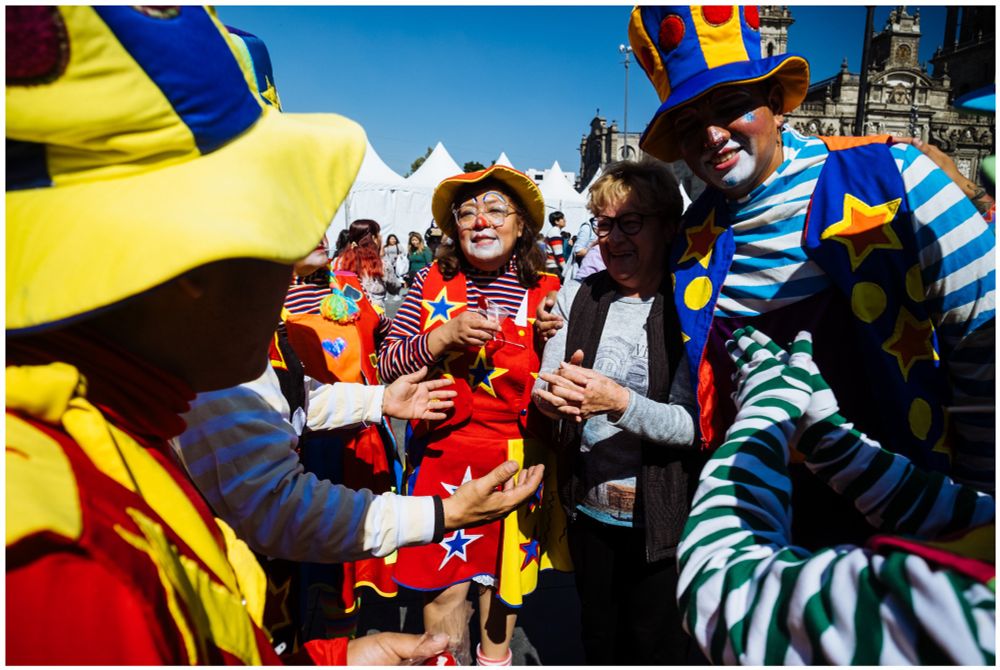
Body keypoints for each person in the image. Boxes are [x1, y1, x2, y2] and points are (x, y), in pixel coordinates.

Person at [5, 6, 453, 664]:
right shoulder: (65, 565)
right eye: (281, 232)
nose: (288, 275)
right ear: (196, 261)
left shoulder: (101, 437)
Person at [625, 6, 995, 540]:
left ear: (776, 103)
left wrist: (978, 517)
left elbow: (985, 350)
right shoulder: (689, 239)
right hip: (763, 528)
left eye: (730, 105)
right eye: (688, 124)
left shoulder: (901, 180)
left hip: (909, 516)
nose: (711, 135)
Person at [678, 326, 995, 664]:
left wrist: (763, 416)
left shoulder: (965, 604)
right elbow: (973, 520)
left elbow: (724, 596)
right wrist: (833, 444)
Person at [379, 165, 571, 666]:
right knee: (443, 590)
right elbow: (386, 365)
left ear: (522, 225)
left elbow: (570, 378)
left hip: (518, 458)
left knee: (502, 591)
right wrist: (439, 338)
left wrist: (557, 340)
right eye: (467, 213)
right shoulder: (430, 281)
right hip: (442, 458)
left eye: (495, 210)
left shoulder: (551, 290)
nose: (480, 221)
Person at [531, 160, 701, 665]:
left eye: (631, 222)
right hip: (589, 514)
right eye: (605, 225)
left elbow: (694, 426)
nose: (615, 238)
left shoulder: (690, 305)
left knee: (656, 649)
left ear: (667, 226)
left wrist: (619, 403)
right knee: (599, 639)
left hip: (664, 524)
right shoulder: (579, 295)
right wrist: (553, 398)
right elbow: (545, 384)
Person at [333, 218, 395, 310]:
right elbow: (394, 289)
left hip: (347, 313)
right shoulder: (382, 264)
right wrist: (382, 256)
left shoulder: (338, 261)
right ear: (373, 238)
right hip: (374, 314)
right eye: (378, 234)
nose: (381, 237)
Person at [543, 210, 570, 276]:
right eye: (562, 218)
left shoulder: (554, 231)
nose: (565, 220)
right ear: (556, 222)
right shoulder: (555, 233)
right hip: (553, 267)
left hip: (551, 266)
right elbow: (558, 254)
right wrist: (565, 270)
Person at [383, 233, 408, 301]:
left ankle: (398, 294)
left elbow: (404, 253)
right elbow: (384, 255)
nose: (393, 240)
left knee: (397, 280)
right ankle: (386, 294)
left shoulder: (398, 246)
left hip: (397, 266)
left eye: (394, 239)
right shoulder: (385, 247)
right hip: (388, 265)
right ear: (388, 240)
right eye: (391, 239)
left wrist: (399, 256)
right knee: (387, 280)